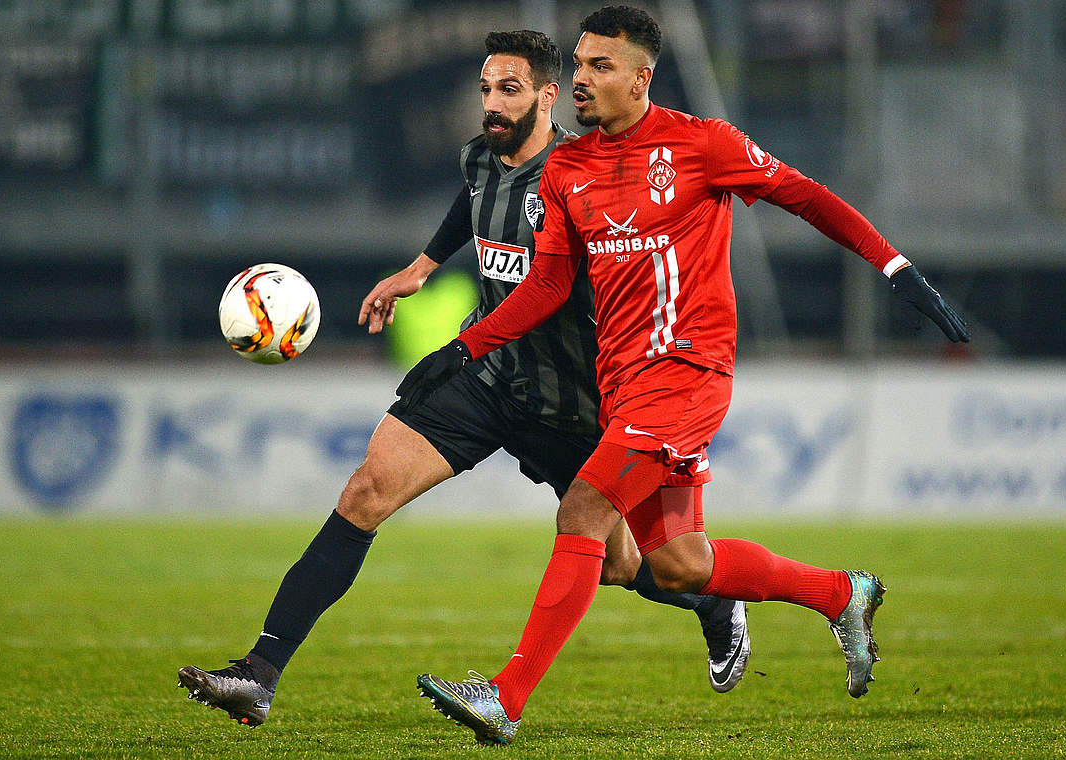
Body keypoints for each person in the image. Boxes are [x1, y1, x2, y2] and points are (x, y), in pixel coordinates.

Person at [409, 6, 971, 746]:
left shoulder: (702, 145)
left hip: (686, 374)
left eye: (600, 67)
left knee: (582, 512)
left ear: (642, 78)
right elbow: (545, 287)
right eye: (579, 65)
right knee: (675, 566)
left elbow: (805, 194)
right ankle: (843, 594)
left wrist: (893, 266)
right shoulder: (568, 168)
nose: (581, 79)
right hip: (622, 386)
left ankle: (504, 699)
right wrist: (464, 348)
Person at [176, 28, 751, 730]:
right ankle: (257, 675)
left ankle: (715, 602)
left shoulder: (583, 176)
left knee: (626, 566)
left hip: (576, 403)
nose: (490, 104)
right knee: (366, 490)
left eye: (508, 90)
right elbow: (472, 202)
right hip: (488, 381)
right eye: (485, 89)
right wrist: (422, 265)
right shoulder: (481, 157)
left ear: (547, 95)